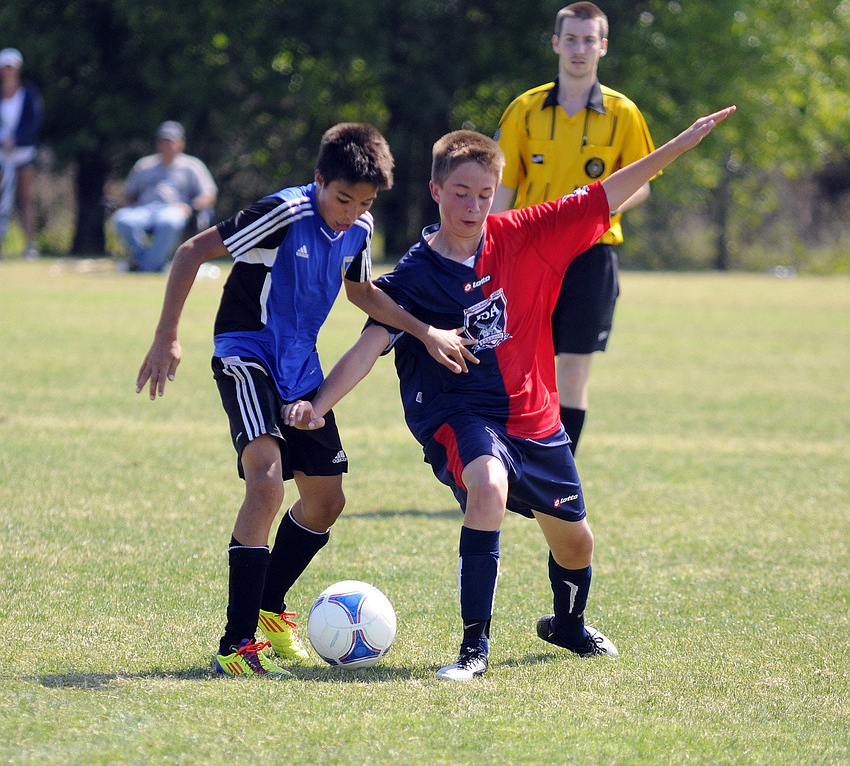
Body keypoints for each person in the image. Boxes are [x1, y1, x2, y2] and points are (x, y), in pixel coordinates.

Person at [284, 106, 736, 681]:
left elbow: (607, 193)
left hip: (534, 415)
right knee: (488, 484)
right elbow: (370, 344)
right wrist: (317, 405)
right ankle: (474, 649)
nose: (472, 208)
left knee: (576, 546)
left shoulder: (525, 235)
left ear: (497, 194)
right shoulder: (417, 274)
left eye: (484, 195)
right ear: (436, 190)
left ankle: (567, 626)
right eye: (461, 194)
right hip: (459, 413)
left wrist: (684, 142)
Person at [135, 122, 475, 678]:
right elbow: (192, 251)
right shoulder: (285, 213)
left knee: (325, 500)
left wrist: (424, 330)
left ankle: (268, 609)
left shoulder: (360, 228)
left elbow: (363, 292)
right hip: (246, 355)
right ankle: (236, 642)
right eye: (341, 198)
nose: (349, 212)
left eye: (362, 202)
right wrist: (167, 335)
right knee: (266, 484)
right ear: (319, 181)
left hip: (300, 370)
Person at [492, 2, 656, 454]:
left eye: (589, 40)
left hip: (591, 255)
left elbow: (641, 185)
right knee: (521, 364)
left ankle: (558, 476)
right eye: (571, 39)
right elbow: (500, 187)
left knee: (574, 371)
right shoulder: (524, 109)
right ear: (555, 43)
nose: (579, 49)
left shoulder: (623, 113)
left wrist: (599, 206)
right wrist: (485, 248)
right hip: (529, 253)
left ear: (602, 47)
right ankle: (511, 465)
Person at [112, 121, 218, 272]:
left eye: (170, 141)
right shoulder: (144, 165)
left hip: (174, 209)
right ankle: (151, 264)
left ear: (180, 143)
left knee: (169, 221)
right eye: (162, 141)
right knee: (122, 219)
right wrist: (130, 204)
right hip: (145, 209)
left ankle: (144, 267)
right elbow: (129, 193)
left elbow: (209, 194)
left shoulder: (192, 166)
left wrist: (191, 206)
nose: (165, 145)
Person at [0, 48, 42, 259]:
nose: (8, 72)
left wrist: (15, 139)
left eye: (11, 68)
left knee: (24, 199)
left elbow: (32, 122)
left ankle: (29, 244)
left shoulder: (29, 92)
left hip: (22, 151)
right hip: (1, 153)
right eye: (5, 68)